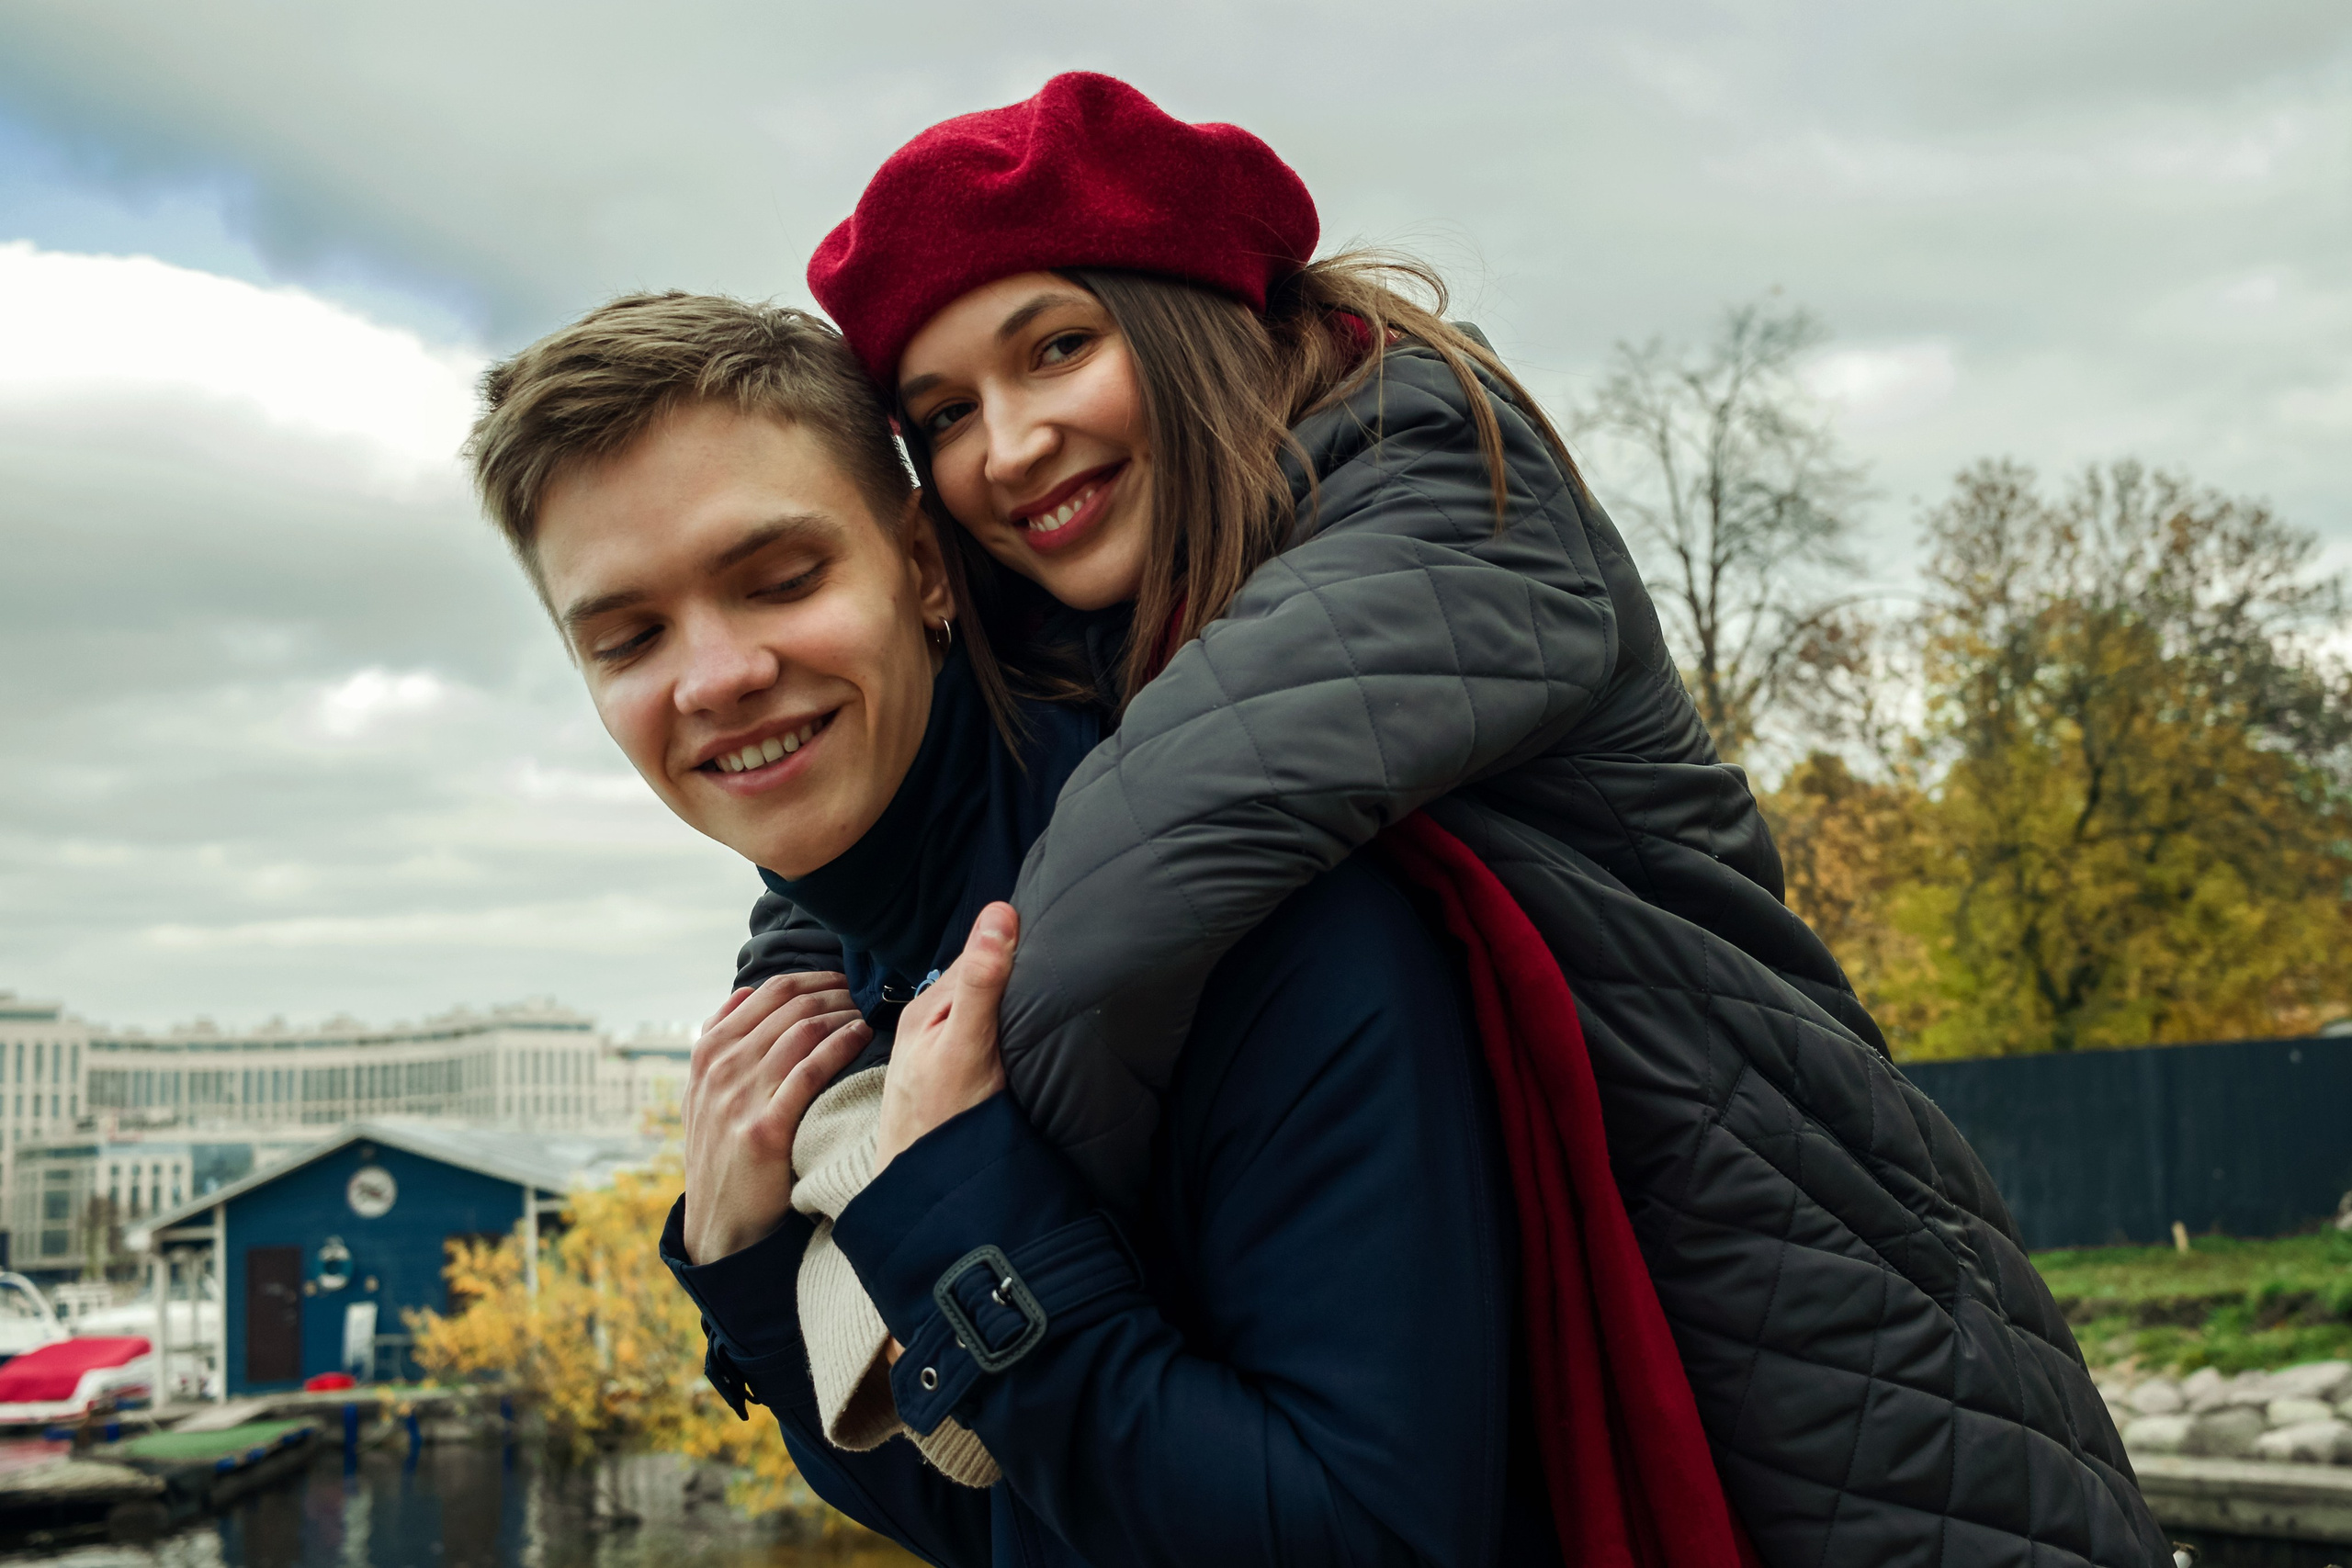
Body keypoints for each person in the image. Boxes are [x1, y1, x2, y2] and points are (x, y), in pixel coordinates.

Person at [745, 72, 2169, 1567]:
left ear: (1182, 320)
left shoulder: (1434, 494)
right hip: (1562, 1351)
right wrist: (766, 1146)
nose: (1012, 444)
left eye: (1057, 348)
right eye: (945, 414)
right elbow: (856, 873)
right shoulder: (1107, 616)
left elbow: (1104, 914)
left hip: (1801, 1323)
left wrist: (938, 1206)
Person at [463, 293, 1564, 1566]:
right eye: (629, 640)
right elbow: (1004, 1518)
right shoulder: (849, 967)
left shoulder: (1235, 908)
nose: (716, 679)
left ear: (926, 568)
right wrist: (749, 1273)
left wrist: (954, 1205)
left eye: (782, 582)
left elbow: (1380, 1539)